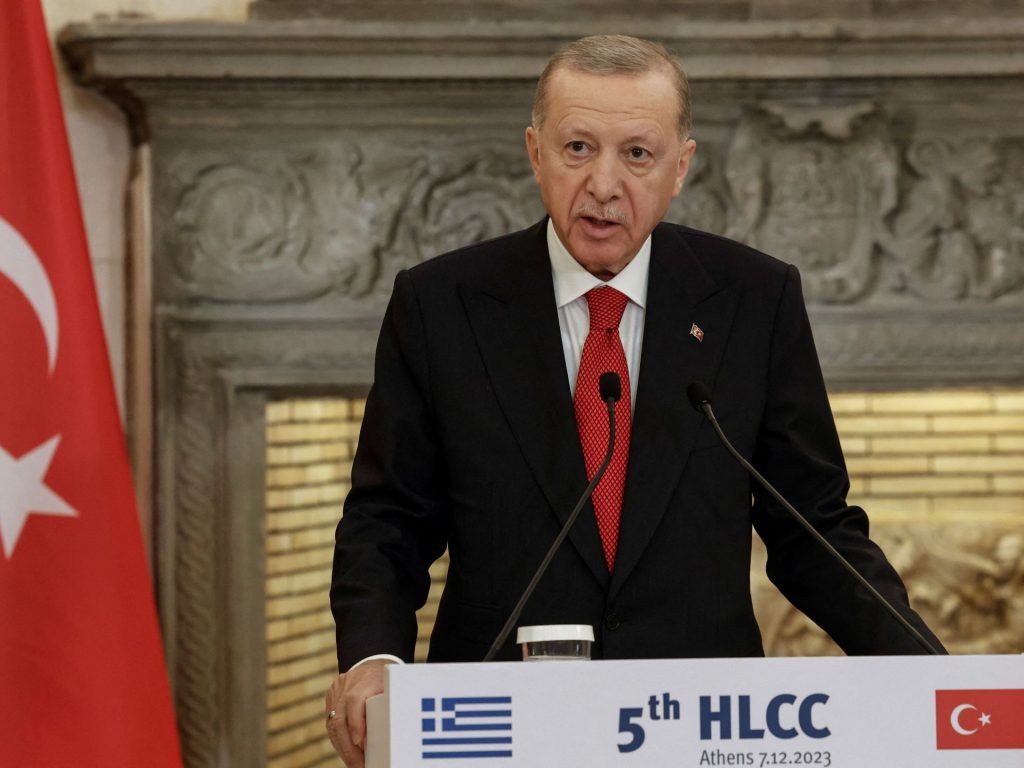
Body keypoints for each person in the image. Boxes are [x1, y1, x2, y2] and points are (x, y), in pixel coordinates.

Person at [324, 34, 944, 766]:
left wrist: (931, 676)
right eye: (578, 148)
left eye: (638, 154)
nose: (604, 184)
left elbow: (813, 526)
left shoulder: (754, 299)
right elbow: (388, 518)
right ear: (535, 153)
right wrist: (374, 657)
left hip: (702, 730)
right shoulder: (441, 304)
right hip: (499, 726)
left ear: (681, 167)